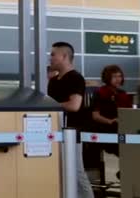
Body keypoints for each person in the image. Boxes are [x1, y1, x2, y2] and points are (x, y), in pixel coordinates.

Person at [47, 41, 94, 198]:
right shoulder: (53, 81)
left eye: (53, 54)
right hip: (55, 132)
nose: (50, 58)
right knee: (59, 173)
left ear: (64, 56)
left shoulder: (75, 78)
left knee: (76, 174)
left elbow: (74, 105)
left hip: (72, 133)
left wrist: (51, 105)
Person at [92, 65, 132, 153]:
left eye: (120, 76)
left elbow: (130, 113)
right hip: (107, 129)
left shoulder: (123, 94)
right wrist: (110, 121)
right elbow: (95, 116)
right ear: (107, 77)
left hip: (124, 128)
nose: (118, 79)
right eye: (114, 76)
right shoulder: (100, 93)